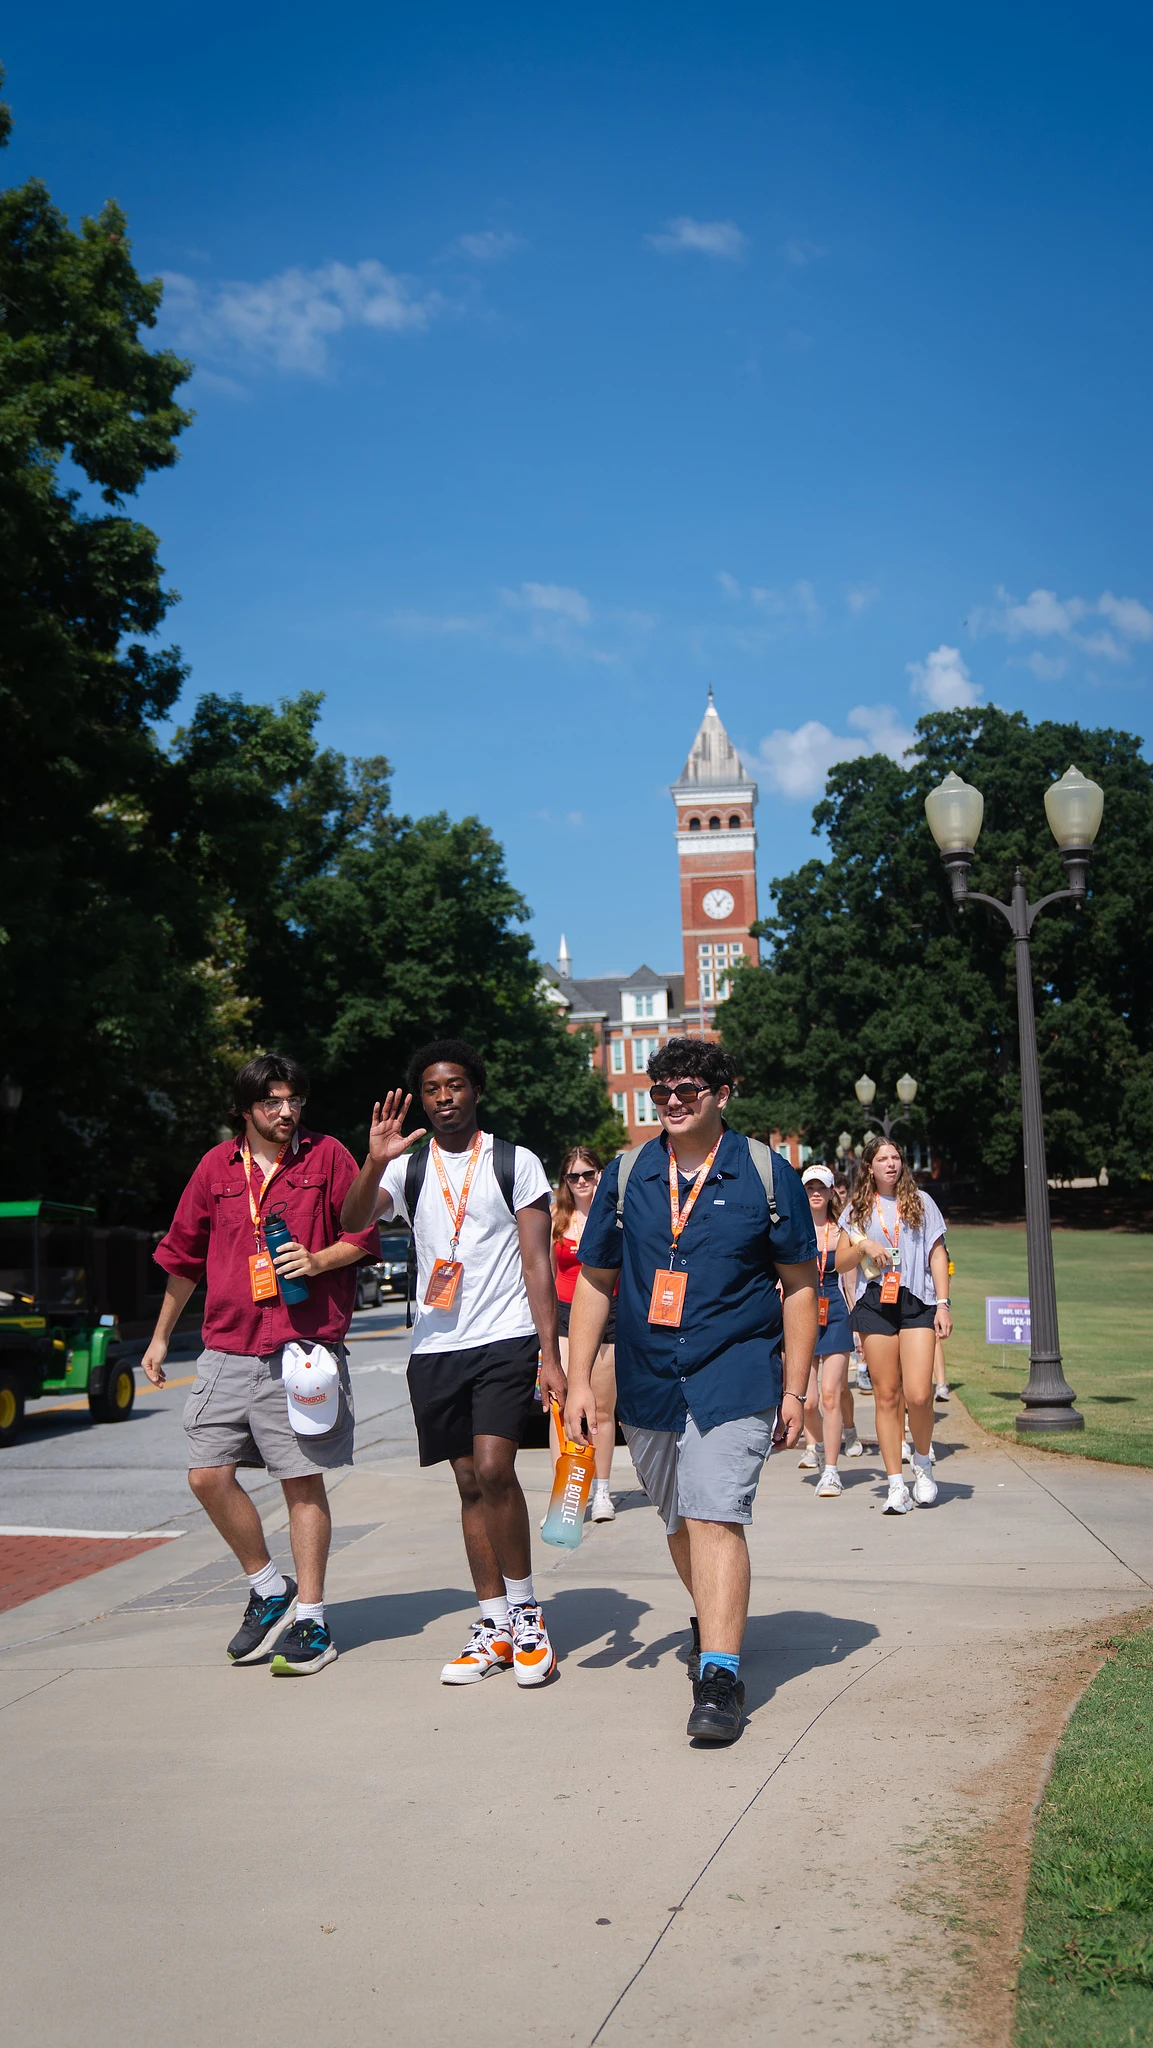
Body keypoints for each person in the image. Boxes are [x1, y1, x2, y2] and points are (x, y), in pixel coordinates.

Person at [564, 1038, 818, 1745]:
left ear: (721, 1094)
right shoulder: (626, 1175)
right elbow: (594, 1281)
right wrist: (580, 1381)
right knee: (677, 1520)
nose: (673, 1103)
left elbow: (799, 1287)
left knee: (714, 1515)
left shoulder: (767, 1174)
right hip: (648, 1374)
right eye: (662, 1092)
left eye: (688, 1091)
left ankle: (719, 1674)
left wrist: (794, 1390)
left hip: (733, 1369)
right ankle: (713, 1618)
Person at [142, 1054, 380, 1674]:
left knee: (301, 1481)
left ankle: (312, 1620)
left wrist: (319, 1261)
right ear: (244, 1110)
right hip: (225, 1345)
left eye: (294, 1099)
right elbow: (182, 1258)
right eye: (272, 1101)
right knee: (206, 1474)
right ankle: (268, 1586)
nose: (286, 1112)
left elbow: (363, 1236)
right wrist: (161, 1338)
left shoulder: (327, 1156)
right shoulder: (216, 1167)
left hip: (302, 1348)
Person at [340, 1040, 566, 1689]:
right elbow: (351, 1221)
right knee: (467, 1483)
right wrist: (372, 1160)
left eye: (456, 1085)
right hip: (436, 1347)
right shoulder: (405, 1170)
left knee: (496, 1468)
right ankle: (492, 1622)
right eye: (433, 1088)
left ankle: (526, 1615)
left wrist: (549, 1356)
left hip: (505, 1338)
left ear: (475, 1090)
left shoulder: (514, 1163)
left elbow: (535, 1263)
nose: (445, 1097)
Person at [836, 1138, 952, 1514]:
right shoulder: (857, 1210)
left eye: (896, 1157)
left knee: (919, 1394)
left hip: (917, 1299)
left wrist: (944, 1304)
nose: (891, 1164)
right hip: (876, 1303)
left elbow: (937, 1253)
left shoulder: (922, 1202)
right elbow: (840, 1263)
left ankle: (922, 1463)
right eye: (882, 1158)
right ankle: (895, 1484)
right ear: (869, 1166)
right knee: (886, 1395)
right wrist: (863, 1246)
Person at [552, 1147, 617, 1522]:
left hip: (609, 1316)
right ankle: (565, 1499)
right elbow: (541, 1272)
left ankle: (603, 1492)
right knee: (561, 1412)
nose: (581, 1183)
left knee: (602, 1410)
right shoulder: (557, 1219)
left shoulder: (613, 1218)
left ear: (600, 1174)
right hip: (563, 1315)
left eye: (587, 1174)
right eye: (573, 1176)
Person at [797, 1165, 858, 1497]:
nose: (816, 1193)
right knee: (808, 1402)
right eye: (810, 1188)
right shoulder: (794, 1228)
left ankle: (832, 1471)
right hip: (801, 1312)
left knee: (832, 1394)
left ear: (833, 1192)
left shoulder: (844, 1231)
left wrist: (860, 1326)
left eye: (822, 1188)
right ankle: (818, 1447)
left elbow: (853, 1277)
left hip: (835, 1310)